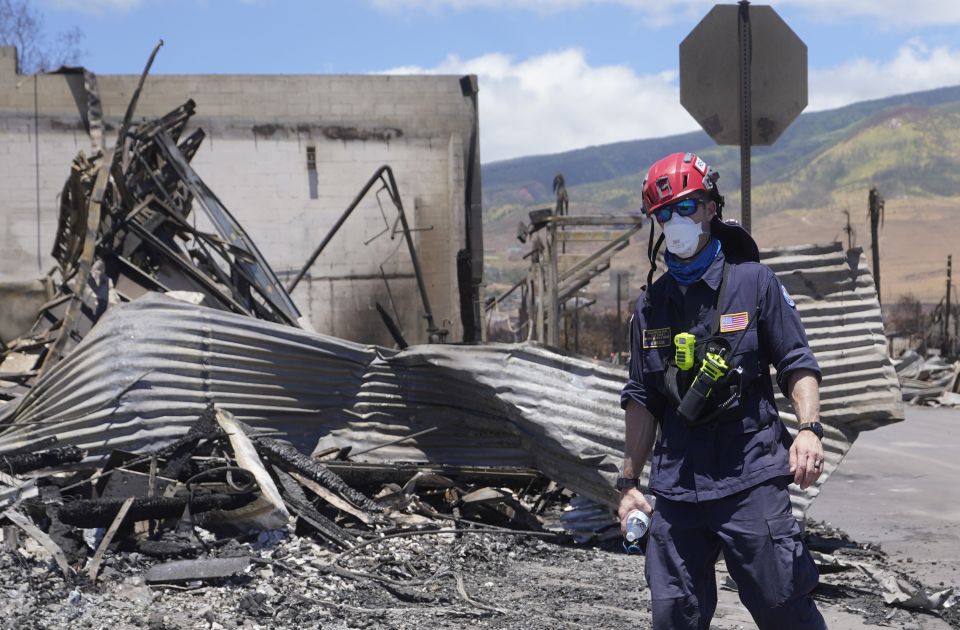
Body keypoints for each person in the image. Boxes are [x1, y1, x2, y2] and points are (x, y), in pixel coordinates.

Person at [617, 152, 827, 630]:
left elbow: (797, 362)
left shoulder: (755, 284)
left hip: (749, 476)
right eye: (664, 214)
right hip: (677, 488)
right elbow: (643, 397)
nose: (676, 222)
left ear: (711, 207)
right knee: (673, 615)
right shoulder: (651, 307)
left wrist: (809, 430)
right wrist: (628, 485)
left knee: (782, 606)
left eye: (687, 207)